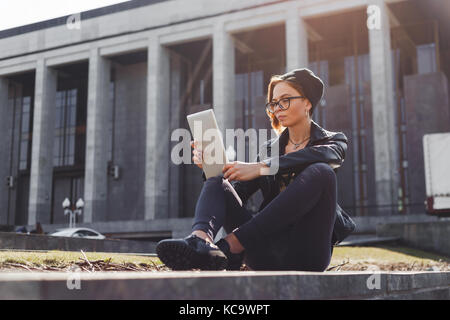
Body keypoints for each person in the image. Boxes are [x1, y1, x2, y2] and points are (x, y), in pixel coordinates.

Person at [156, 68, 348, 271]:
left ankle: (231, 245)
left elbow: (329, 157)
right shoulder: (269, 150)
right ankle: (200, 242)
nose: (278, 108)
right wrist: (211, 168)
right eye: (274, 103)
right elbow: (236, 193)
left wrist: (263, 167)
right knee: (218, 182)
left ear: (307, 102)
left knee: (323, 173)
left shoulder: (333, 140)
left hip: (307, 254)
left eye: (285, 100)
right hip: (265, 252)